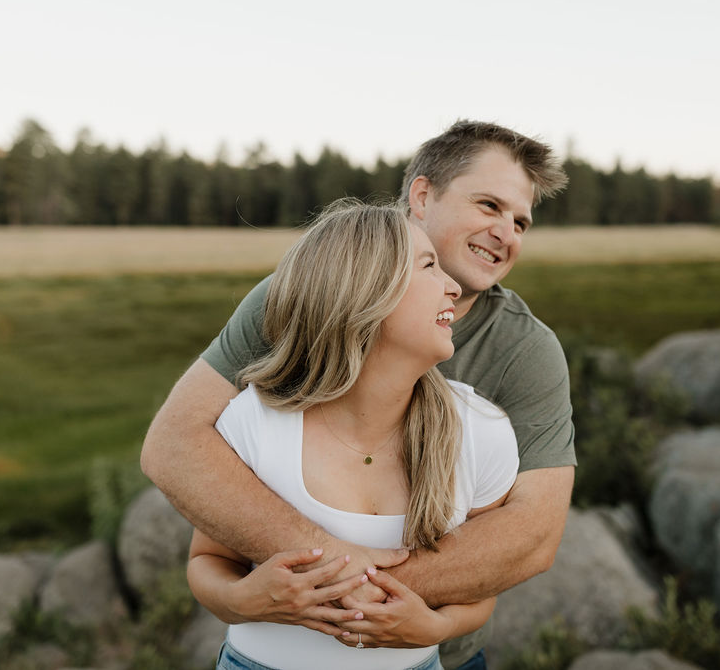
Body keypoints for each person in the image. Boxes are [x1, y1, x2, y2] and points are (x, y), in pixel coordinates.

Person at [142, 120, 576, 669]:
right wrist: (326, 574)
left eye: (521, 222)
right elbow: (174, 445)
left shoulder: (521, 356)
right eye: (489, 205)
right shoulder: (298, 301)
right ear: (422, 195)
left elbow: (533, 535)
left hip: (435, 653)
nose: (507, 233)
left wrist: (353, 593)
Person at [188, 199, 519, 669]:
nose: (452, 286)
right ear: (365, 291)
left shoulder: (481, 430)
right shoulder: (253, 421)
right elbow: (206, 561)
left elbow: (480, 586)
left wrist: (438, 628)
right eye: (429, 266)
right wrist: (244, 600)